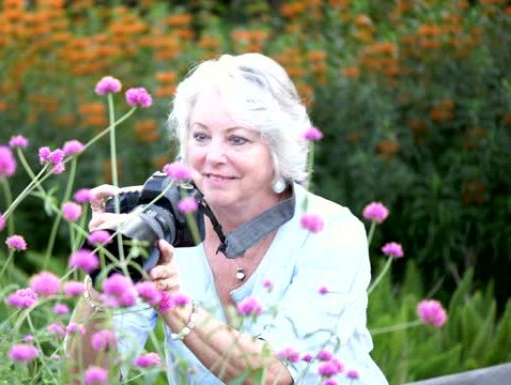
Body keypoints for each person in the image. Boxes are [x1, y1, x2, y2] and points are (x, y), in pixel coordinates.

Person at [66, 53, 388, 385]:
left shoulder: (331, 232)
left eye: (237, 139)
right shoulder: (165, 222)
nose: (213, 157)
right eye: (201, 136)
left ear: (278, 149)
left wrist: (170, 302)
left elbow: (273, 376)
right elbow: (84, 378)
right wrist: (106, 270)